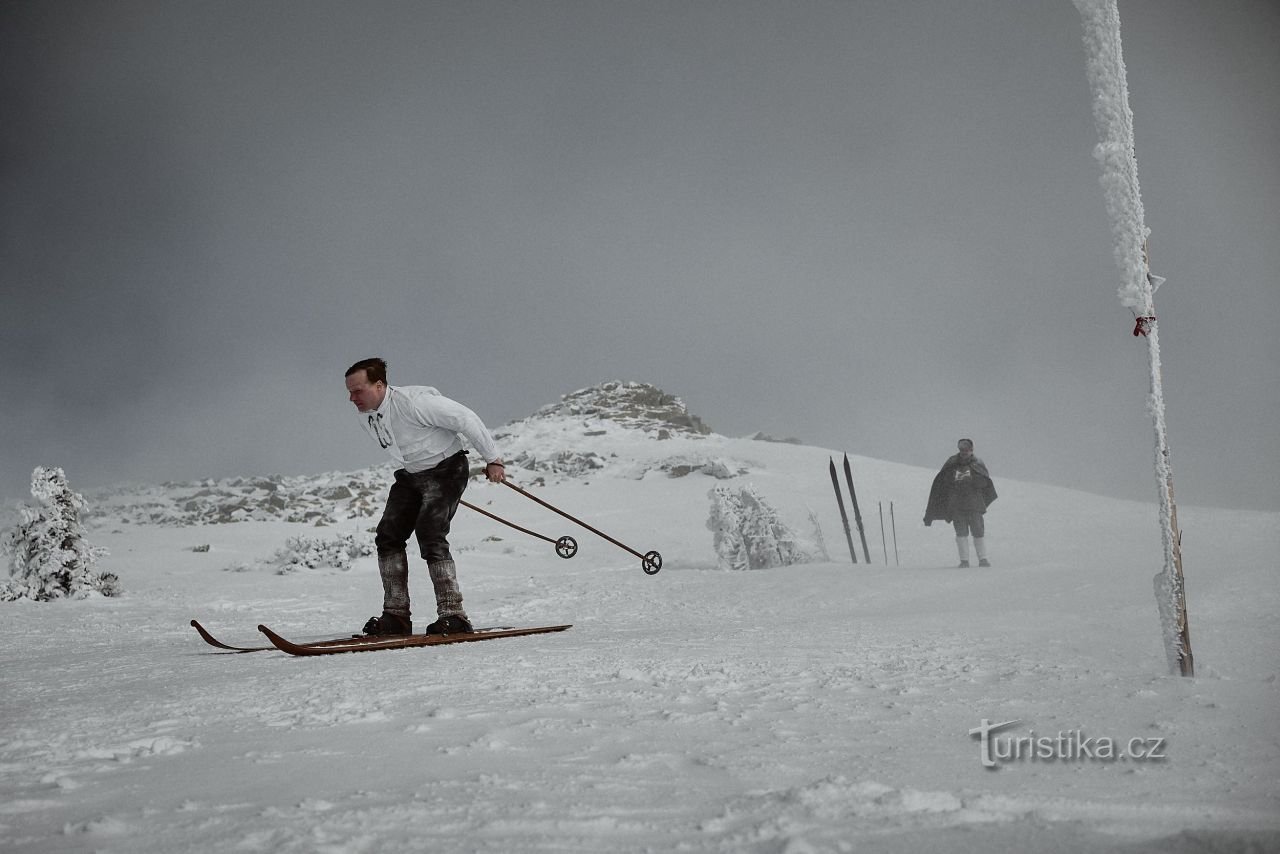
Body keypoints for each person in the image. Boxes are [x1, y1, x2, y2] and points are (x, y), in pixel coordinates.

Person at [344, 357, 506, 636]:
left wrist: (493, 459)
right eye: (349, 392)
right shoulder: (366, 415)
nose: (351, 398)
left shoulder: (416, 403)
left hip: (447, 469)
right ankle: (396, 616)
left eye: (358, 391)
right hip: (411, 475)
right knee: (388, 534)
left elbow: (465, 419)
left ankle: (454, 615)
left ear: (380, 385)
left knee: (430, 532)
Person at [923, 438, 997, 567]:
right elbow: (942, 482)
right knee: (961, 533)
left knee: (978, 531)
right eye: (962, 449)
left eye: (966, 449)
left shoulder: (977, 463)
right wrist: (954, 479)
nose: (964, 452)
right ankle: (964, 561)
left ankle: (983, 559)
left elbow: (985, 483)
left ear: (971, 450)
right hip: (957, 505)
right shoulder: (952, 463)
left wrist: (972, 479)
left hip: (975, 505)